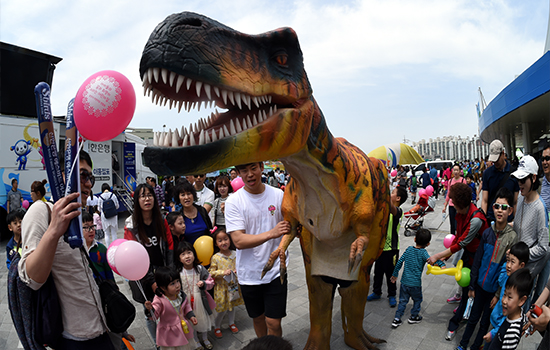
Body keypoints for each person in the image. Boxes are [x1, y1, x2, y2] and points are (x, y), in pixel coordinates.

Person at [18, 150, 116, 348]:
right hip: (74, 338)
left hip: (101, 328)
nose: (89, 183)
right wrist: (54, 230)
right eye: (83, 175)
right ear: (60, 177)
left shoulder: (77, 215)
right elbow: (31, 278)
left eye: (91, 177)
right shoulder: (41, 210)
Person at [225, 162, 290, 337]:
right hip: (249, 274)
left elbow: (288, 227)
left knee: (273, 322)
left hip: (276, 270)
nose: (250, 174)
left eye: (253, 168)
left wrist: (288, 236)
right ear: (238, 173)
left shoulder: (278, 195)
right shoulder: (234, 201)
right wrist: (271, 233)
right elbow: (238, 240)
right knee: (258, 318)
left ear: (261, 167)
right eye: (244, 171)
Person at [454, 187, 518, 350]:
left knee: (485, 322)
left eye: (504, 207)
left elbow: (507, 271)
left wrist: (498, 295)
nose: (499, 211)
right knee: (473, 318)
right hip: (480, 287)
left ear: (510, 211)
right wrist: (472, 286)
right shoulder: (487, 233)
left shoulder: (512, 238)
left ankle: (476, 346)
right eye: (497, 206)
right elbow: (477, 261)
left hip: (494, 291)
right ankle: (463, 344)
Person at [428, 182, 489, 341]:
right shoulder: (461, 213)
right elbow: (458, 238)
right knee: (465, 291)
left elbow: (461, 242)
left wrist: (437, 255)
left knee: (472, 291)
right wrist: (446, 256)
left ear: (463, 204)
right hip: (469, 255)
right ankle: (461, 316)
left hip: (479, 259)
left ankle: (462, 325)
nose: (452, 205)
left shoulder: (476, 219)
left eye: (455, 203)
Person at [124, 182, 174, 346]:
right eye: (143, 195)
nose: (147, 199)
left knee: (167, 307)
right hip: (143, 276)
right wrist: (152, 282)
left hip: (161, 271)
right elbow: (134, 259)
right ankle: (157, 344)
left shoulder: (161, 219)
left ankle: (170, 339)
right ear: (137, 200)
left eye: (150, 195)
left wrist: (170, 273)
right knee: (151, 312)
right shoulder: (131, 226)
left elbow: (169, 246)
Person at [511, 155, 550, 310]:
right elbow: (519, 224)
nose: (519, 184)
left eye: (523, 180)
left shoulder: (540, 208)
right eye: (518, 180)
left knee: (520, 308)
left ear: (533, 178)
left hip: (527, 267)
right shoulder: (521, 198)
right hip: (516, 263)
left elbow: (543, 247)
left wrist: (521, 255)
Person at [390, 229, 445, 328]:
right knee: (417, 300)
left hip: (404, 282)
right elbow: (431, 261)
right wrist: (441, 264)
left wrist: (395, 275)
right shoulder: (424, 253)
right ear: (428, 244)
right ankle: (414, 317)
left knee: (402, 301)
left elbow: (399, 262)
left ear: (414, 239)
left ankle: (397, 319)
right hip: (415, 284)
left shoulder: (408, 250)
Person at [367, 186, 407, 307]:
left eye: (393, 192)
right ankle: (376, 292)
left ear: (398, 198)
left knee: (391, 274)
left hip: (392, 249)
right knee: (378, 272)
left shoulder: (398, 211)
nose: (390, 193)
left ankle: (392, 295)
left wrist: (384, 190)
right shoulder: (384, 209)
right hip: (380, 248)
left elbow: (391, 208)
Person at [483, 241, 529, 344]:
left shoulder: (517, 287)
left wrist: (493, 333)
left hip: (500, 329)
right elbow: (500, 280)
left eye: (512, 262)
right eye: (508, 261)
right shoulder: (508, 277)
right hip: (495, 323)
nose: (508, 265)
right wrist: (507, 262)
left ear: (521, 265)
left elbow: (507, 318)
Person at [144, 266, 198, 350]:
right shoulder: (159, 299)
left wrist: (191, 316)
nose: (177, 286)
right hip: (168, 333)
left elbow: (186, 306)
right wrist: (150, 309)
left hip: (183, 329)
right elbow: (155, 316)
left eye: (177, 281)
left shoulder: (181, 295)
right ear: (163, 287)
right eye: (172, 284)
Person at [175, 241, 216, 350]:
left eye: (189, 253)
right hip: (186, 301)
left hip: (201, 300)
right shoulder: (179, 272)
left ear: (194, 254)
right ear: (179, 258)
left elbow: (211, 281)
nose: (187, 256)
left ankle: (205, 338)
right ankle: (196, 341)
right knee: (190, 322)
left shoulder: (200, 269)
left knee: (203, 320)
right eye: (183, 254)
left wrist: (204, 284)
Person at [208, 227, 244, 338]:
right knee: (221, 310)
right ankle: (217, 326)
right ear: (216, 244)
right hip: (221, 288)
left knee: (232, 307)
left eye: (226, 239)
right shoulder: (216, 257)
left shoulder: (236, 254)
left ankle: (231, 323)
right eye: (220, 240)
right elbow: (211, 272)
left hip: (233, 287)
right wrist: (223, 272)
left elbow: (242, 266)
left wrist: (237, 271)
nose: (224, 242)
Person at [485, 268, 533, 350]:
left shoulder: (512, 333)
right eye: (504, 294)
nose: (504, 301)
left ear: (522, 301)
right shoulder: (516, 315)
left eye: (509, 297)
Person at [481, 139, 519, 223]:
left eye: (497, 159)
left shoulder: (514, 173)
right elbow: (485, 200)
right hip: (491, 220)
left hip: (508, 222)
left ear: (503, 154)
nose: (495, 162)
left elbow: (515, 202)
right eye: (493, 160)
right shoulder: (487, 173)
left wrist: (515, 221)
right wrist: (483, 220)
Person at [175, 181, 213, 245]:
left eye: (189, 194)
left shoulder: (202, 211)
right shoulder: (178, 216)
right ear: (178, 198)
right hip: (188, 253)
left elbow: (210, 230)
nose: (186, 197)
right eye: (183, 195)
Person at [443, 164, 466, 237]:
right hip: (451, 205)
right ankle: (452, 239)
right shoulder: (450, 181)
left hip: (459, 206)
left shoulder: (463, 180)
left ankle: (459, 238)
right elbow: (448, 194)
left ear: (460, 171)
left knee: (459, 224)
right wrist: (445, 206)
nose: (455, 171)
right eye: (454, 170)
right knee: (452, 224)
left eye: (457, 170)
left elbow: (465, 194)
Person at [97, 183, 119, 248]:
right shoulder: (113, 195)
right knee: (114, 232)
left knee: (106, 234)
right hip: (113, 216)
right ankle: (115, 247)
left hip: (105, 217)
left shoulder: (100, 197)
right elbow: (117, 206)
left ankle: (108, 248)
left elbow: (99, 209)